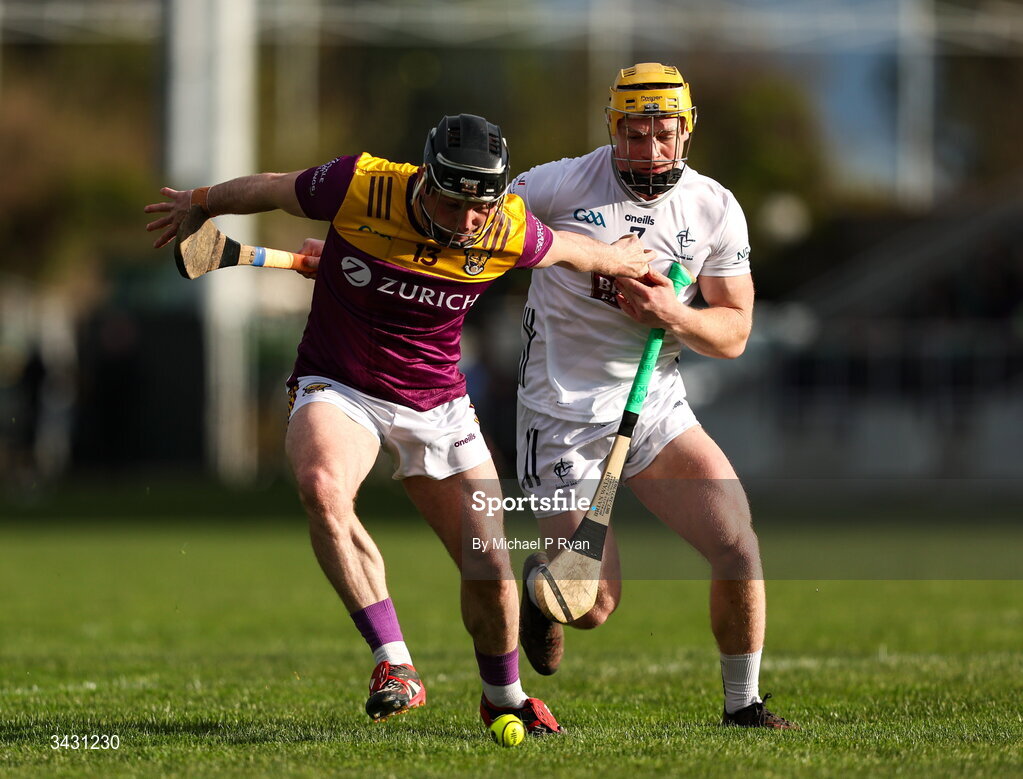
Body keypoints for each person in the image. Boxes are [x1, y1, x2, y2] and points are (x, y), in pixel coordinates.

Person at [144, 113, 653, 734]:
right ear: (426, 180)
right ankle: (394, 664)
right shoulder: (362, 186)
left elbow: (569, 249)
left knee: (489, 570)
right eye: (455, 201)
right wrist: (200, 202)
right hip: (341, 384)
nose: (469, 222)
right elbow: (272, 187)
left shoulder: (505, 228)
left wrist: (620, 259)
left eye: (482, 207)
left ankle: (504, 697)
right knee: (322, 487)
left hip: (438, 403)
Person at [512, 63, 797, 729]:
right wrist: (588, 253)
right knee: (594, 605)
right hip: (561, 418)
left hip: (654, 405)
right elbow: (482, 231)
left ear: (686, 131)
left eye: (663, 134)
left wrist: (675, 317)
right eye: (633, 133)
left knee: (736, 542)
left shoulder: (713, 207)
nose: (649, 150)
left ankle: (742, 706)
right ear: (612, 128)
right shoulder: (555, 184)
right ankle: (538, 585)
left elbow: (732, 332)